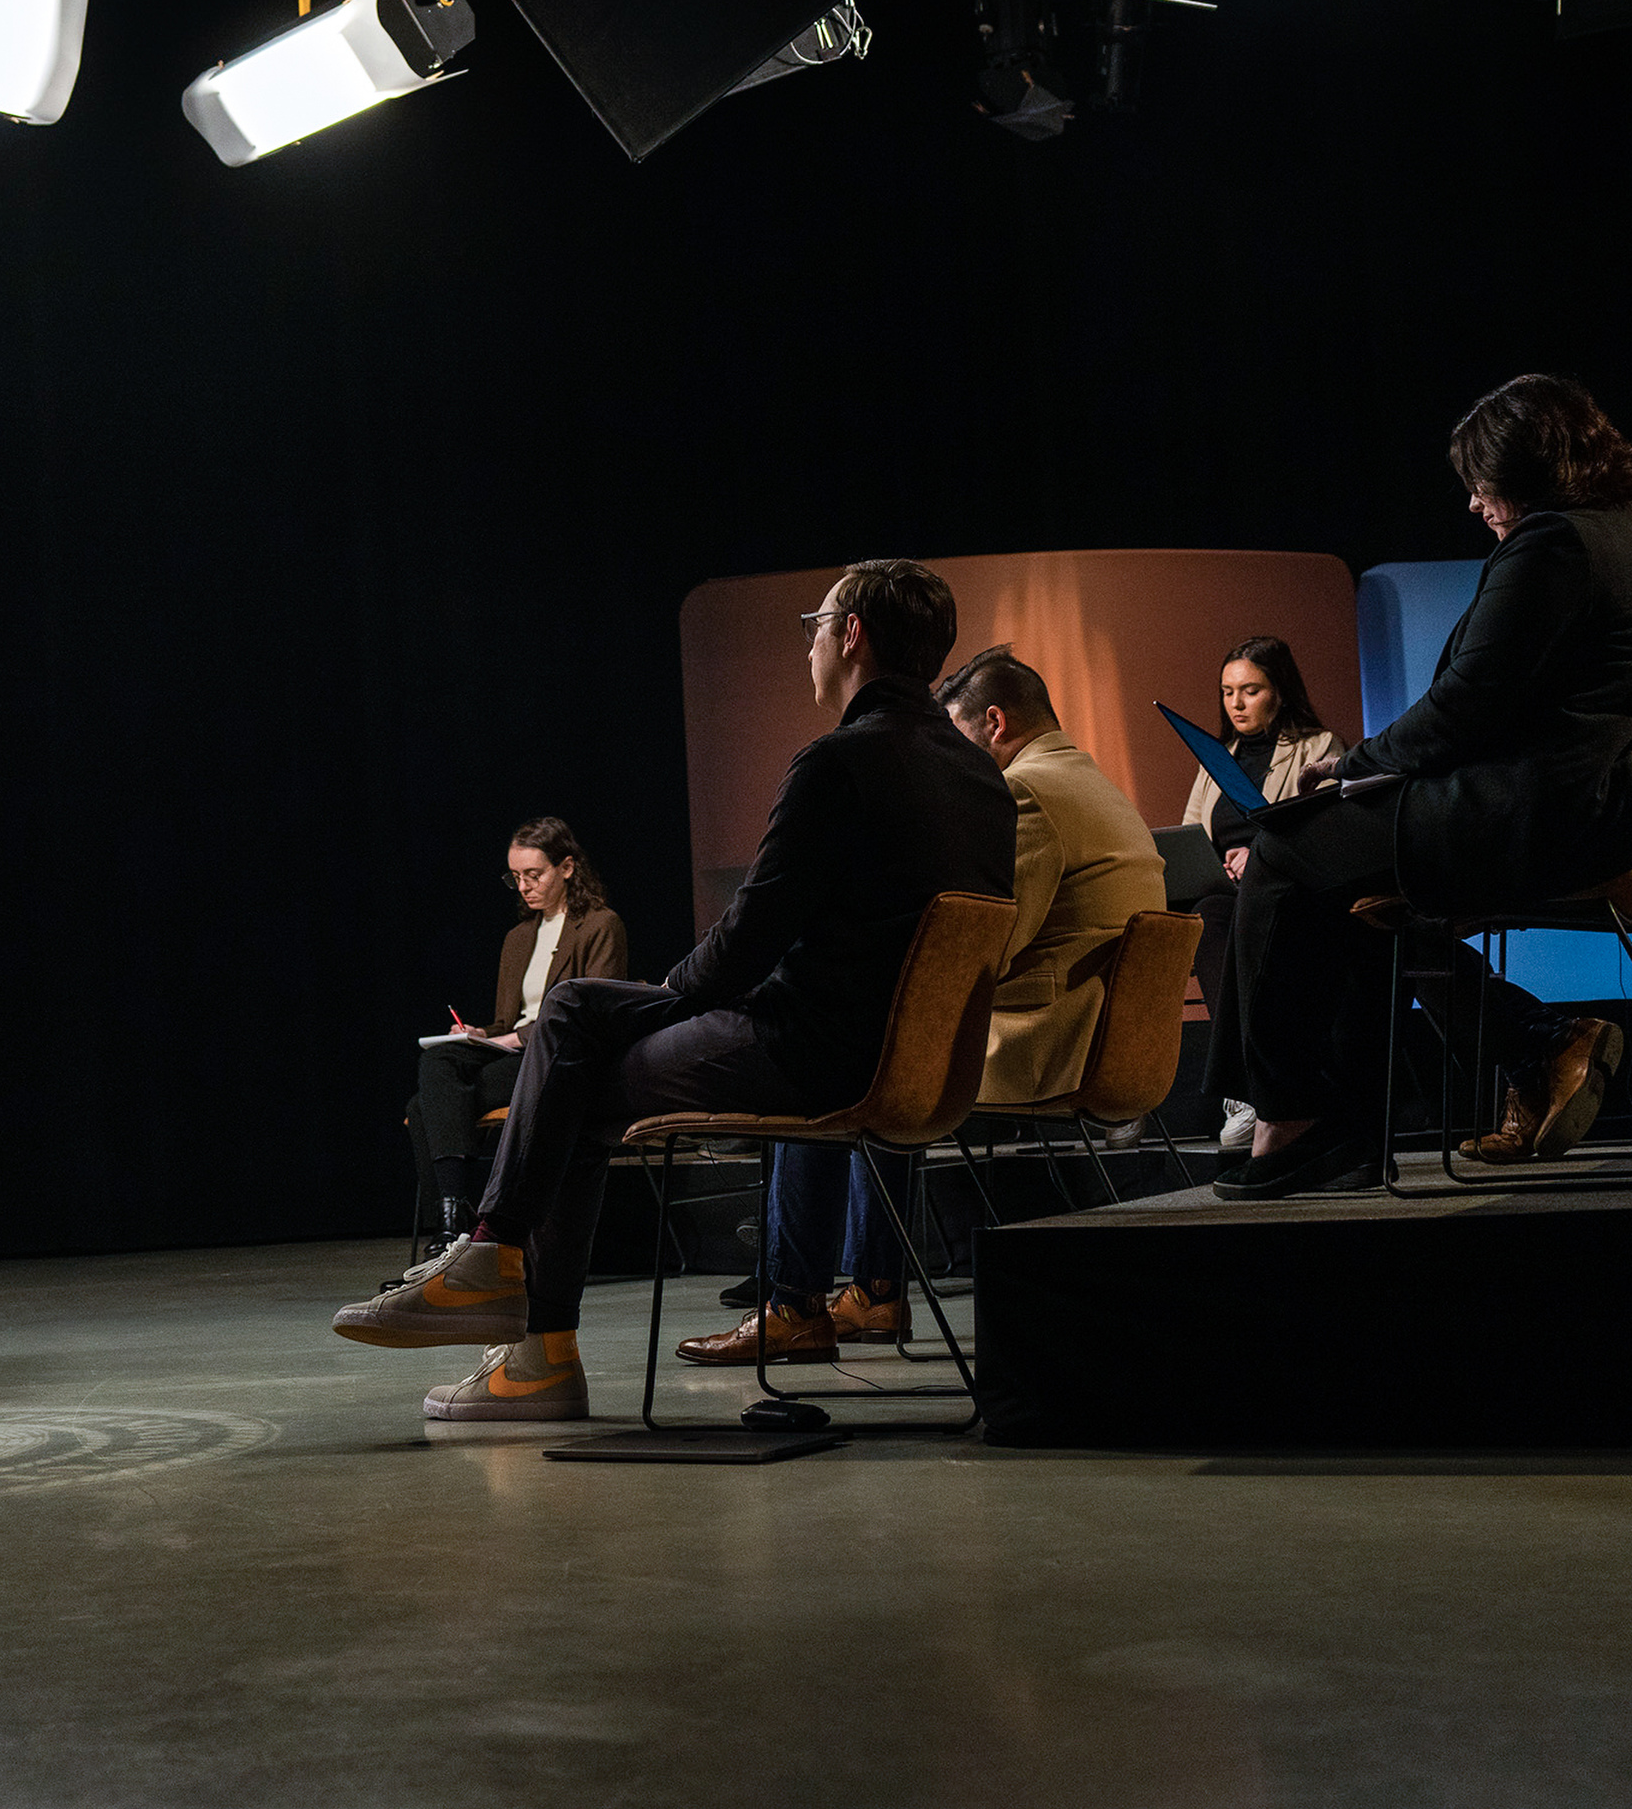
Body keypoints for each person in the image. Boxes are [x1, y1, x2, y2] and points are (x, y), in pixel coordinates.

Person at [329, 559, 1015, 1420]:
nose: (806, 644)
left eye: (815, 624)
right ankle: (505, 1291)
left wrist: (663, 996)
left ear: (851, 636)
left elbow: (743, 946)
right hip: (908, 1063)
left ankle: (523, 1325)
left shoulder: (838, 763)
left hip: (807, 1052)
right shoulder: (983, 780)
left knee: (571, 1047)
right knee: (574, 1034)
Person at [1210, 376, 1632, 1200]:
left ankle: (1292, 1117)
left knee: (1283, 849)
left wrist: (1354, 765)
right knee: (1343, 883)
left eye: (1483, 482)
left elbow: (1466, 706)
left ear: (1525, 471)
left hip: (1540, 814)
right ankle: (1359, 1129)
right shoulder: (1624, 540)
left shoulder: (1553, 544)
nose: (1475, 503)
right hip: (1578, 807)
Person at [680, 646, 1165, 1362]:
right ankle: (874, 1292)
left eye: (956, 738)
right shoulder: (1090, 781)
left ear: (995, 722)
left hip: (1049, 1041)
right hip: (1107, 1037)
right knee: (886, 1048)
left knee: (831, 1052)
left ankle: (793, 1304)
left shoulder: (1025, 791)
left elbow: (986, 942)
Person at [401, 819, 628, 1259]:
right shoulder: (519, 938)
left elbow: (595, 1013)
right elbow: (507, 1019)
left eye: (534, 875)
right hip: (515, 1052)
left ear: (566, 868)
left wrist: (512, 1039)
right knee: (438, 1061)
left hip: (562, 1056)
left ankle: (452, 1231)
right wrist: (479, 1034)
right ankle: (457, 1222)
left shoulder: (600, 925)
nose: (523, 887)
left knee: (423, 1106)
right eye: (516, 877)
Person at [1178, 636, 1347, 1156]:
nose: (1236, 703)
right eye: (1228, 692)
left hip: (1288, 890)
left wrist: (1260, 853)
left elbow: (1324, 827)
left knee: (1226, 918)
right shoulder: (1216, 758)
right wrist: (1211, 865)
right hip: (1226, 892)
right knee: (1206, 914)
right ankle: (1247, 1088)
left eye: (1250, 690)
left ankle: (1254, 1088)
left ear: (1280, 691)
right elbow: (1192, 832)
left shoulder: (1319, 747)